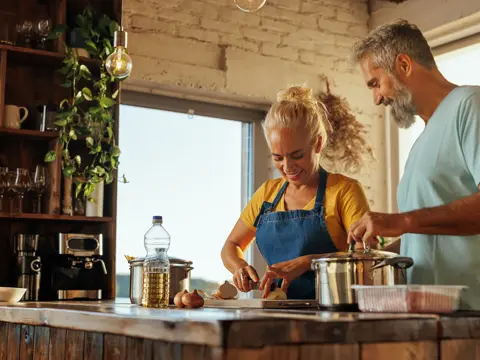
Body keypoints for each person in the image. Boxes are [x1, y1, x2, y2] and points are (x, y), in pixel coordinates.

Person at [349, 19, 480, 309]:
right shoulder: (422, 140)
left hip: (470, 315)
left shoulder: (470, 105)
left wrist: (398, 221)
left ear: (404, 65)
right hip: (430, 316)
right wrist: (374, 258)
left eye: (376, 83)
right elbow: (424, 241)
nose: (376, 98)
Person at [221, 85, 370, 299]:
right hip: (277, 311)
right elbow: (231, 246)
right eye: (278, 158)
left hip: (332, 312)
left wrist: (309, 263)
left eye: (297, 155)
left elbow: (365, 258)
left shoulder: (343, 191)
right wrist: (239, 267)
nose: (288, 167)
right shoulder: (267, 194)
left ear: (317, 143)